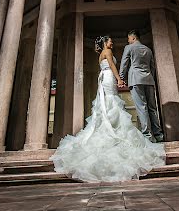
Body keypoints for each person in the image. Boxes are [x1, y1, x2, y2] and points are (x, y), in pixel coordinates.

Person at [51, 35, 165, 182]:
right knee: (112, 102)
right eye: (110, 40)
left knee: (109, 102)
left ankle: (112, 127)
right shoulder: (108, 52)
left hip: (104, 78)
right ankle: (114, 129)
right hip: (109, 77)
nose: (112, 42)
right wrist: (119, 79)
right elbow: (112, 65)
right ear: (105, 42)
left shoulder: (100, 55)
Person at [119, 30, 164, 143]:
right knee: (152, 108)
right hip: (148, 79)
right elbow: (152, 67)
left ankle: (148, 136)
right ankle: (158, 135)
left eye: (129, 39)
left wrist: (121, 78)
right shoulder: (148, 49)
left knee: (142, 107)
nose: (128, 41)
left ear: (133, 38)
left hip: (135, 79)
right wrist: (151, 78)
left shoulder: (129, 48)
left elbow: (124, 63)